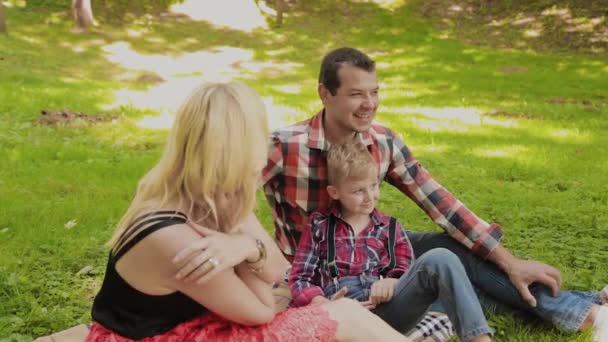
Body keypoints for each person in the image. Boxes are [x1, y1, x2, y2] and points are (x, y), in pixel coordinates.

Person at [255, 47, 607, 340]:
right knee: (453, 288)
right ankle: (589, 307)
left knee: (453, 250)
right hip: (319, 269)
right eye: (356, 94)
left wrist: (510, 262)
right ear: (325, 93)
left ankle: (589, 313)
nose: (369, 104)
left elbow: (440, 202)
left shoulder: (383, 142)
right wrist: (266, 264)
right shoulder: (283, 147)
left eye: (375, 92)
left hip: (374, 249)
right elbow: (226, 200)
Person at [86, 81, 413, 341]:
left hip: (193, 326)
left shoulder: (207, 195)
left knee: (345, 316)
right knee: (346, 318)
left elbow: (274, 269)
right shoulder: (176, 237)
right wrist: (246, 249)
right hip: (164, 337)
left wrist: (248, 250)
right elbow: (260, 311)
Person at [290, 141, 493, 342]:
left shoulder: (390, 227)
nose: (370, 196)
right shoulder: (319, 225)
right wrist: (325, 304)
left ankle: (480, 339)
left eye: (373, 186)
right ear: (335, 193)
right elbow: (300, 278)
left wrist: (390, 282)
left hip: (388, 313)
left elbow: (405, 271)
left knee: (442, 257)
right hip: (341, 318)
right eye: (358, 191)